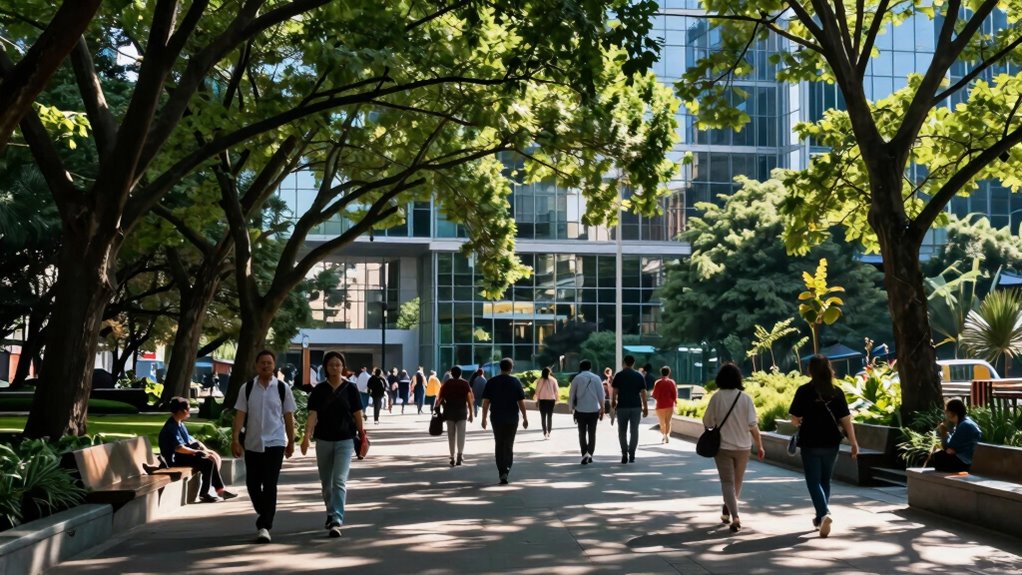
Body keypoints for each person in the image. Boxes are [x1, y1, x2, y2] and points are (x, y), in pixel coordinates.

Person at [789, 354, 859, 538]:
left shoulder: (804, 391)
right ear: (828, 369)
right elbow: (846, 420)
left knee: (813, 481)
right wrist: (853, 442)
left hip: (810, 442)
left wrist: (799, 421)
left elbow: (794, 419)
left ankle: (824, 513)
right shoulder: (836, 391)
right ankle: (820, 518)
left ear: (810, 370)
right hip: (831, 442)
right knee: (825, 480)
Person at [232, 350, 297, 544]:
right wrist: (235, 439)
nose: (266, 366)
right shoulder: (248, 387)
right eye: (262, 363)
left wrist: (291, 441)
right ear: (256, 365)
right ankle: (265, 510)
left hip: (275, 443)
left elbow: (288, 417)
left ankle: (264, 525)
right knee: (252, 484)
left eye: (269, 363)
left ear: (274, 365)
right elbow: (240, 414)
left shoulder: (282, 388)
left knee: (269, 485)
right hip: (252, 443)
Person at [300, 351, 365, 538]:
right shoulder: (319, 390)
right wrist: (306, 437)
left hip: (345, 439)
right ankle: (330, 512)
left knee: (339, 480)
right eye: (331, 365)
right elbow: (312, 415)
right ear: (326, 368)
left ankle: (337, 517)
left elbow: (357, 414)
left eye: (338, 365)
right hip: (324, 440)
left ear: (342, 367)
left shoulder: (351, 389)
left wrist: (362, 434)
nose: (335, 368)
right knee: (326, 483)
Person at [702, 364, 764, 533]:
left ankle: (734, 514)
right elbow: (753, 426)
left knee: (727, 482)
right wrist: (759, 445)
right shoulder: (746, 398)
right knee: (737, 482)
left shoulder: (717, 397)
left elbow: (707, 422)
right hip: (743, 447)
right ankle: (730, 509)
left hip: (722, 446)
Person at [159, 396, 237, 503]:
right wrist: (197, 452)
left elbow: (190, 440)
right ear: (181, 411)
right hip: (174, 459)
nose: (189, 411)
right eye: (188, 409)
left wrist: (205, 450)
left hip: (182, 456)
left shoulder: (179, 423)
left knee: (208, 460)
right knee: (208, 463)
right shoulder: (171, 427)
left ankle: (219, 490)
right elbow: (179, 448)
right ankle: (207, 493)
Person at [481, 358, 528, 484]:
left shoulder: (491, 382)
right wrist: (525, 417)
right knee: (508, 444)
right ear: (511, 368)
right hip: (512, 418)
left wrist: (484, 418)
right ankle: (506, 469)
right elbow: (521, 402)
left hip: (496, 417)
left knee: (499, 443)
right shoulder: (515, 382)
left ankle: (501, 470)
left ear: (500, 367)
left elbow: (486, 403)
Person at [612, 355, 648, 464]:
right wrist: (645, 407)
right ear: (633, 363)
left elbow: (615, 391)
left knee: (622, 431)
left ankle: (624, 453)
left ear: (624, 363)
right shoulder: (639, 375)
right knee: (634, 431)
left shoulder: (619, 375)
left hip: (622, 406)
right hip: (636, 406)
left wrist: (614, 401)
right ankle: (632, 454)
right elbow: (643, 393)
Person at [568, 360, 604, 465]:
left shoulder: (577, 378)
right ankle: (590, 454)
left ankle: (584, 454)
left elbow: (572, 394)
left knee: (582, 433)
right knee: (592, 433)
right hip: (594, 410)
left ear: (580, 367)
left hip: (580, 410)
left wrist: (571, 409)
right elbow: (601, 395)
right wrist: (602, 408)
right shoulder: (596, 378)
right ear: (590, 367)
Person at [436, 365, 474, 466]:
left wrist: (438, 409)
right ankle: (460, 455)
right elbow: (469, 399)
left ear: (451, 374)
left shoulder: (447, 383)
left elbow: (440, 398)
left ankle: (452, 456)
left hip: (449, 412)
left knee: (451, 435)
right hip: (461, 412)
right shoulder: (465, 383)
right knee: (461, 434)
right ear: (461, 373)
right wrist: (471, 413)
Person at [932, 398, 982, 472]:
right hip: (969, 460)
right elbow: (951, 447)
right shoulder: (966, 422)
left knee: (938, 455)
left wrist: (944, 432)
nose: (946, 414)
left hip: (965, 463)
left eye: (947, 411)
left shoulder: (964, 425)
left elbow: (947, 446)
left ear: (952, 412)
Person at [651, 366, 678, 444]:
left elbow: (655, 394)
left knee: (662, 422)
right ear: (669, 373)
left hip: (660, 405)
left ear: (661, 373)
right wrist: (675, 402)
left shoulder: (658, 382)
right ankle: (667, 435)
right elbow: (674, 393)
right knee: (668, 421)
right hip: (670, 405)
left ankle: (663, 434)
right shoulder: (672, 382)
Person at [533, 367, 559, 439]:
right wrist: (557, 399)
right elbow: (556, 391)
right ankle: (549, 432)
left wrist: (536, 399)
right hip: (551, 400)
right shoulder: (553, 380)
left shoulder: (540, 380)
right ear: (550, 372)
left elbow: (537, 391)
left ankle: (545, 432)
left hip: (542, 400)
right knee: (550, 416)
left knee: (543, 417)